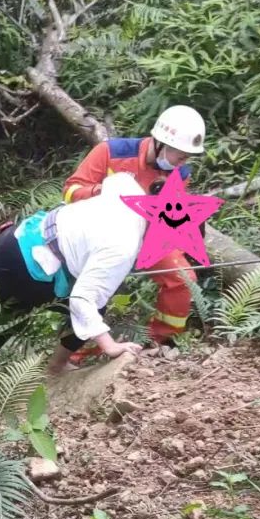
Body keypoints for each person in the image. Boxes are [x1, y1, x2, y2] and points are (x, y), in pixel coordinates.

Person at [0, 172, 149, 384]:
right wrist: (110, 346)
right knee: (86, 308)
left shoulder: (132, 195)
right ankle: (55, 368)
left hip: (18, 236)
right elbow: (82, 299)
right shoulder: (123, 247)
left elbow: (117, 179)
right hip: (26, 262)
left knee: (11, 317)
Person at [61, 105, 206, 356]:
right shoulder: (111, 152)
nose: (184, 163)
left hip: (143, 237)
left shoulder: (179, 173)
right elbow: (70, 191)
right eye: (181, 156)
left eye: (187, 158)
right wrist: (103, 191)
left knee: (182, 278)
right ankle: (75, 355)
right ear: (161, 144)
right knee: (92, 291)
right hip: (97, 234)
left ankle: (160, 343)